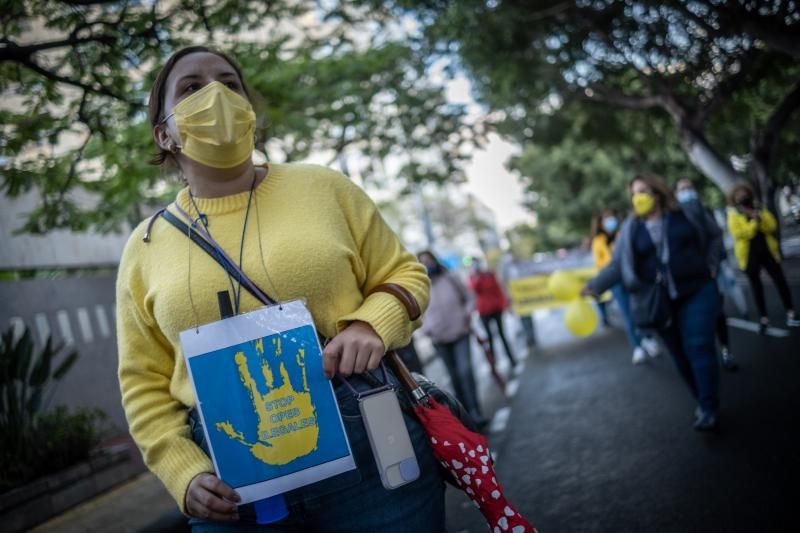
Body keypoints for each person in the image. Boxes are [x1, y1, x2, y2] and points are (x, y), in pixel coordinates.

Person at [116, 46, 445, 530]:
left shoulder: (324, 188)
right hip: (232, 476)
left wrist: (372, 326)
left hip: (369, 443)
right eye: (191, 88)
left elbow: (405, 274)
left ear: (250, 112)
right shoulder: (144, 247)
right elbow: (142, 380)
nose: (216, 96)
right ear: (164, 133)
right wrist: (181, 472)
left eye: (230, 84)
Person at [583, 174, 723, 431]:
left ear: (658, 193)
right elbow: (618, 265)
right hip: (658, 301)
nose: (640, 197)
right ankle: (702, 401)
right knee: (680, 356)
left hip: (697, 289)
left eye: (645, 190)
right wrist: (595, 285)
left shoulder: (687, 213)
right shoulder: (630, 229)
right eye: (635, 193)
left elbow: (714, 236)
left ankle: (709, 406)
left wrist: (712, 265)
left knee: (699, 345)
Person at [676, 179, 738, 371]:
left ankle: (726, 352)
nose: (686, 192)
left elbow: (715, 236)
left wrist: (713, 265)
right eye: (682, 189)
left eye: (689, 188)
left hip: (707, 275)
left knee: (717, 313)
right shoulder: (672, 216)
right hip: (685, 280)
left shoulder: (702, 210)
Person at [417, 250, 485, 425]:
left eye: (429, 260)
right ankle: (464, 415)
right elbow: (416, 313)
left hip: (460, 332)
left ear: (435, 260)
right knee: (454, 377)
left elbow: (470, 298)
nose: (427, 264)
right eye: (422, 262)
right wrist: (427, 329)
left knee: (465, 373)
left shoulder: (450, 277)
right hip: (439, 339)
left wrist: (466, 314)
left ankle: (476, 411)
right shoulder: (419, 286)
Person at [590, 210, 660, 365]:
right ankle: (638, 347)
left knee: (641, 309)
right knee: (628, 314)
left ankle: (648, 338)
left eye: (611, 217)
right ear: (600, 223)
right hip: (616, 280)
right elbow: (599, 263)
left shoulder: (624, 232)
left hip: (631, 276)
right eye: (605, 219)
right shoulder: (598, 241)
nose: (610, 221)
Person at [726, 183, 799, 332]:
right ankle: (763, 318)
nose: (742, 197)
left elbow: (772, 226)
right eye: (739, 195)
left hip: (767, 252)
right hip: (748, 256)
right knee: (756, 287)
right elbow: (740, 234)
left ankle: (791, 312)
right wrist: (754, 222)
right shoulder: (734, 215)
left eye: (744, 193)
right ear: (734, 199)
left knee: (780, 281)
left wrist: (759, 218)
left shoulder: (760, 209)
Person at [467, 258, 517, 368]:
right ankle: (494, 364)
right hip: (484, 311)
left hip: (496, 309)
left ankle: (511, 359)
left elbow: (498, 289)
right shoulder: (472, 277)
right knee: (489, 338)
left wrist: (505, 304)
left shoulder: (489, 274)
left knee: (502, 335)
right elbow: (474, 290)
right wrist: (477, 276)